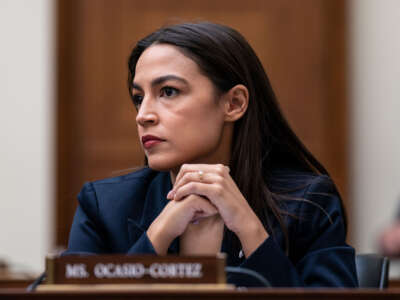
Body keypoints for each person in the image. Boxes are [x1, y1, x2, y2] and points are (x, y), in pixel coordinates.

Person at [65, 22, 358, 287]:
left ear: (233, 103)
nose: (143, 116)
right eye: (139, 98)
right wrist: (157, 236)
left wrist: (248, 227)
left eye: (168, 91)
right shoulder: (104, 206)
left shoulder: (307, 204)